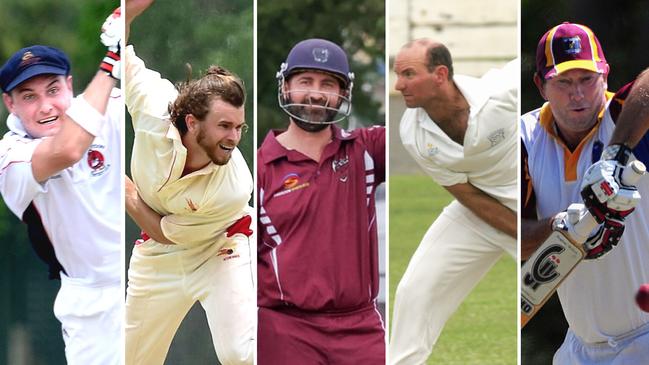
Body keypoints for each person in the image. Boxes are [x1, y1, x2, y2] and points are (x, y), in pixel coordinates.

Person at [123, 1, 254, 364]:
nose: (234, 137)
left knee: (240, 354)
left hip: (220, 246)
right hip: (157, 258)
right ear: (193, 122)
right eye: (224, 126)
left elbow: (166, 231)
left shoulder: (234, 185)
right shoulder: (153, 106)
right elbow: (119, 49)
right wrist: (127, 11)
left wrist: (127, 192)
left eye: (239, 127)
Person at [521, 22, 649, 364]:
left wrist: (617, 155)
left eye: (587, 79)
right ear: (541, 85)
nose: (577, 94)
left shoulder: (627, 118)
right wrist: (559, 227)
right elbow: (507, 235)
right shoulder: (523, 138)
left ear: (605, 77)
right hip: (579, 345)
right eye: (563, 82)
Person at [0, 9, 122, 365]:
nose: (46, 106)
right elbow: (68, 149)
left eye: (53, 90)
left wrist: (126, 22)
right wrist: (112, 58)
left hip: (149, 277)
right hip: (91, 307)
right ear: (10, 103)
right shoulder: (10, 156)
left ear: (70, 85)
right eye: (29, 97)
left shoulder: (108, 106)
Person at [257, 38, 386, 364]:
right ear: (285, 86)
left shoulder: (366, 149)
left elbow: (422, 126)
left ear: (344, 94)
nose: (315, 93)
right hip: (285, 328)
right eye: (305, 82)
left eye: (328, 84)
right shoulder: (258, 168)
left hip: (360, 327)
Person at [389, 38, 518, 364]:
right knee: (413, 293)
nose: (398, 85)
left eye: (408, 74)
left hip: (534, 207)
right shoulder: (412, 132)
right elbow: (466, 195)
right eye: (397, 74)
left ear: (440, 74)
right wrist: (525, 232)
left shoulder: (502, 94)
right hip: (477, 212)